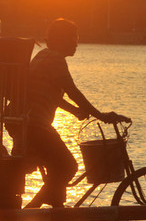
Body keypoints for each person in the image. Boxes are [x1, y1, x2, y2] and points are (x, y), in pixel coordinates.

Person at [22, 18, 130, 208]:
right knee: (68, 167)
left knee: (58, 177)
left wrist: (73, 111)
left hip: (28, 123)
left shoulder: (43, 55)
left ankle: (53, 209)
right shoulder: (56, 60)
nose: (76, 43)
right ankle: (30, 211)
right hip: (35, 124)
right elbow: (73, 91)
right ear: (61, 39)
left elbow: (50, 94)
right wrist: (102, 116)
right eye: (73, 38)